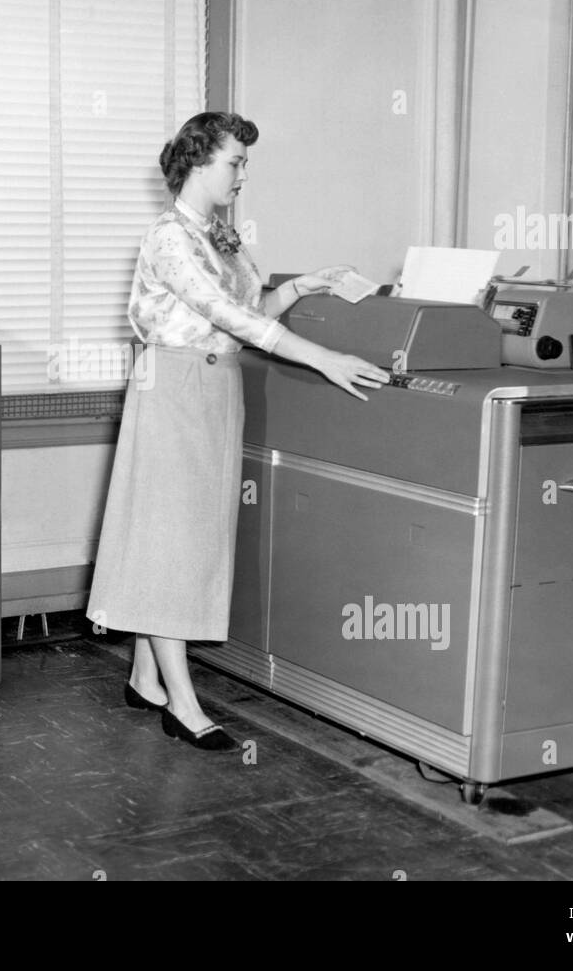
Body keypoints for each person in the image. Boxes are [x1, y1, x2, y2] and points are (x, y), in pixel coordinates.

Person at [86, 112, 389, 750]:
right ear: (197, 162)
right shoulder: (169, 237)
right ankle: (183, 703)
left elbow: (248, 309)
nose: (242, 176)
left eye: (245, 164)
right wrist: (323, 358)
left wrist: (305, 284)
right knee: (170, 539)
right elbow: (226, 316)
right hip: (172, 389)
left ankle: (145, 675)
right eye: (235, 162)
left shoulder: (219, 234)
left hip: (217, 389)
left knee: (192, 534)